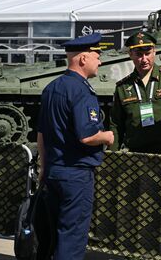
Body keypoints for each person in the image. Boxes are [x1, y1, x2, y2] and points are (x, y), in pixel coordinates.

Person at [37, 32, 114, 260]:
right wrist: (107, 136)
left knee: (51, 238)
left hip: (53, 172)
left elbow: (41, 133)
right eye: (97, 55)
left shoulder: (51, 88)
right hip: (76, 176)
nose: (100, 61)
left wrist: (43, 168)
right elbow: (87, 137)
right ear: (83, 59)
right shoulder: (82, 91)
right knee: (71, 238)